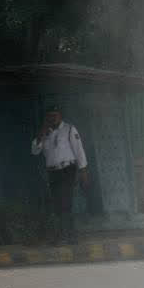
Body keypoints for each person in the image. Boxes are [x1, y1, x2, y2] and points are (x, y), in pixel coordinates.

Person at [30, 105, 89, 245]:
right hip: (52, 172)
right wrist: (42, 134)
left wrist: (84, 171)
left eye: (55, 115)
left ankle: (67, 235)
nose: (53, 118)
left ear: (60, 116)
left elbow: (79, 150)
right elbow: (34, 151)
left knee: (65, 201)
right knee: (58, 204)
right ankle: (67, 235)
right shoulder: (45, 133)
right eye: (50, 116)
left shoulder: (69, 129)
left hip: (67, 169)